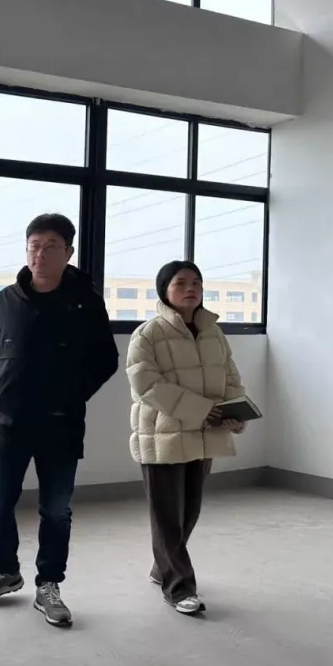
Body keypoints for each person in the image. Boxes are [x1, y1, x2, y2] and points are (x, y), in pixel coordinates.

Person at [0, 213, 118, 626]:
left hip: (61, 423)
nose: (40, 253)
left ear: (69, 253)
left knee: (55, 510)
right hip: (9, 422)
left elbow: (105, 359)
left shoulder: (85, 302)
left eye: (51, 246)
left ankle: (49, 584)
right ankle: (5, 572)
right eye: (34, 245)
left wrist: (70, 395)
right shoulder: (8, 298)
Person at [125, 260, 247, 616]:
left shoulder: (214, 333)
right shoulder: (147, 334)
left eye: (197, 282)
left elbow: (230, 377)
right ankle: (179, 588)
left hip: (203, 434)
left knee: (188, 512)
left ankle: (162, 567)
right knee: (167, 516)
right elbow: (146, 385)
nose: (191, 288)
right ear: (164, 290)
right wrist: (201, 410)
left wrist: (235, 412)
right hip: (161, 435)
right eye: (181, 282)